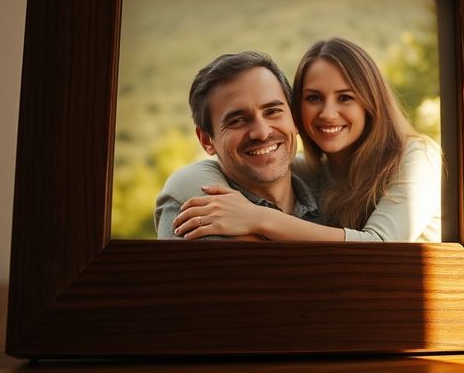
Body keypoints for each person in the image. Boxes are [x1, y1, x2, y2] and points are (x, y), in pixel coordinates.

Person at [172, 38, 441, 242]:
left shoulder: (416, 155)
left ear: (370, 103)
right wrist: (183, 183)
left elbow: (380, 246)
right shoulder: (308, 172)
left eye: (345, 97)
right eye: (313, 98)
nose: (328, 113)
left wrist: (258, 218)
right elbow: (200, 175)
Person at [153, 52, 323, 240]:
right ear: (206, 140)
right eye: (237, 120)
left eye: (272, 111)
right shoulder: (196, 210)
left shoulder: (334, 188)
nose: (262, 133)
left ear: (295, 119)